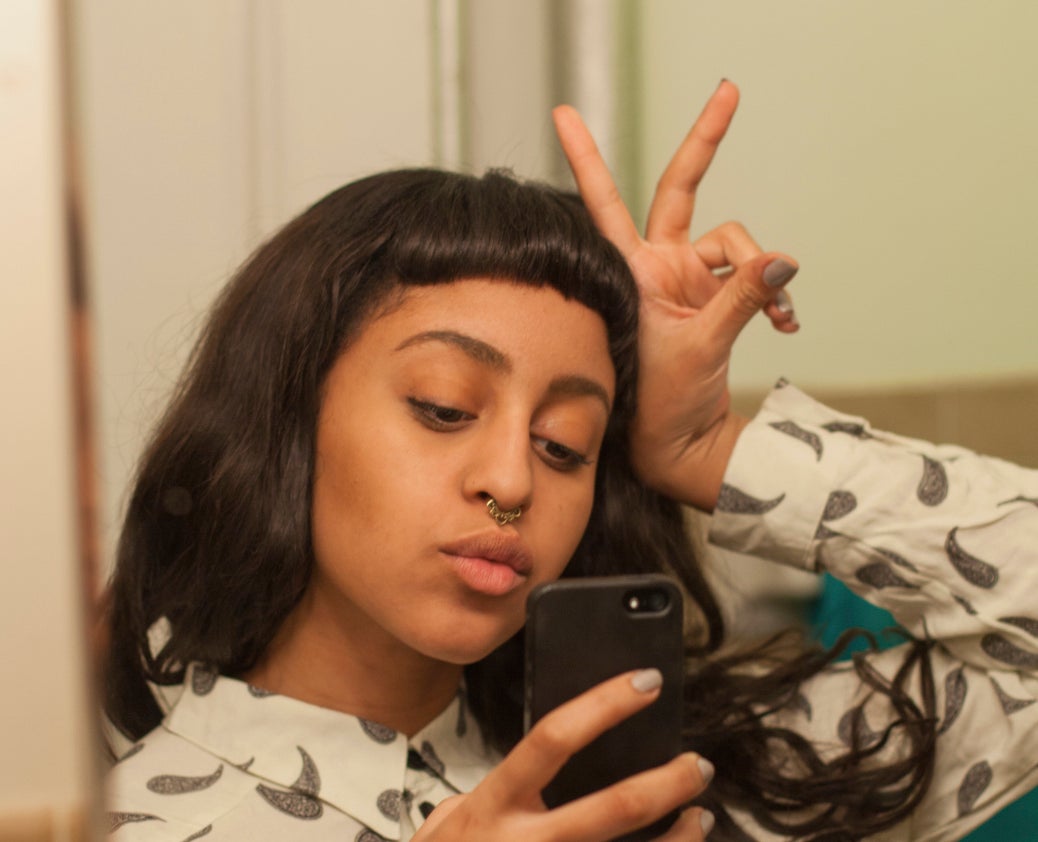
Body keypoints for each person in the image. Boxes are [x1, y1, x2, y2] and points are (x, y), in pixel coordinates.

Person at [103, 82, 1038, 840]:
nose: (512, 483)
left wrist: (710, 451)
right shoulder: (140, 825)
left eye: (566, 446)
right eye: (443, 408)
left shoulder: (695, 786)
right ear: (287, 418)